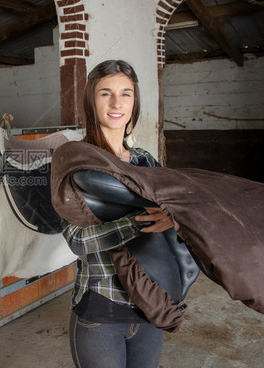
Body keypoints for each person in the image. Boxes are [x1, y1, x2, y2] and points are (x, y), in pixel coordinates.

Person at [61, 60, 174, 368]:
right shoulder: (74, 162)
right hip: (101, 311)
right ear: (91, 101)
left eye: (126, 93)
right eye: (105, 93)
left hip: (150, 305)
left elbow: (175, 210)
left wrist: (173, 217)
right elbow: (77, 240)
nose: (116, 103)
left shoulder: (145, 160)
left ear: (134, 102)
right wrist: (140, 222)